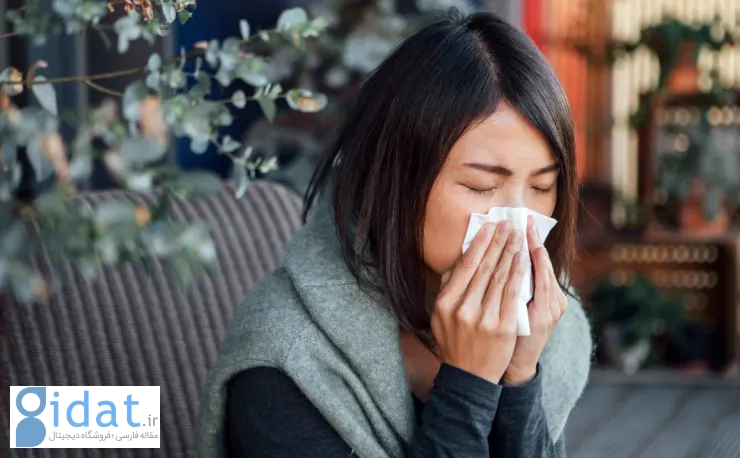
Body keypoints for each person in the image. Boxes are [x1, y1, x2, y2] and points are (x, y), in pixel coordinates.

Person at [195, 9, 592, 458]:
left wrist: (519, 378)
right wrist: (470, 384)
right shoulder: (288, 361)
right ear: (395, 181)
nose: (519, 222)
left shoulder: (546, 325)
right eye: (482, 186)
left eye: (542, 186)